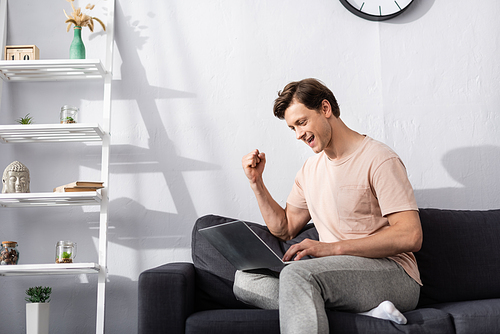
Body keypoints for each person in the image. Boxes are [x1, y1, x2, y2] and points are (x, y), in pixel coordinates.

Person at [235, 78, 422, 333]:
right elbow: (285, 228)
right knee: (245, 280)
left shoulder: (379, 159)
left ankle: (338, 305)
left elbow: (410, 235)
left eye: (301, 122)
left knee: (298, 277)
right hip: (338, 276)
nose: (299, 134)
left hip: (393, 273)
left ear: (325, 109)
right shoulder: (310, 170)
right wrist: (256, 183)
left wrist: (331, 249)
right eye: (293, 128)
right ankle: (367, 312)